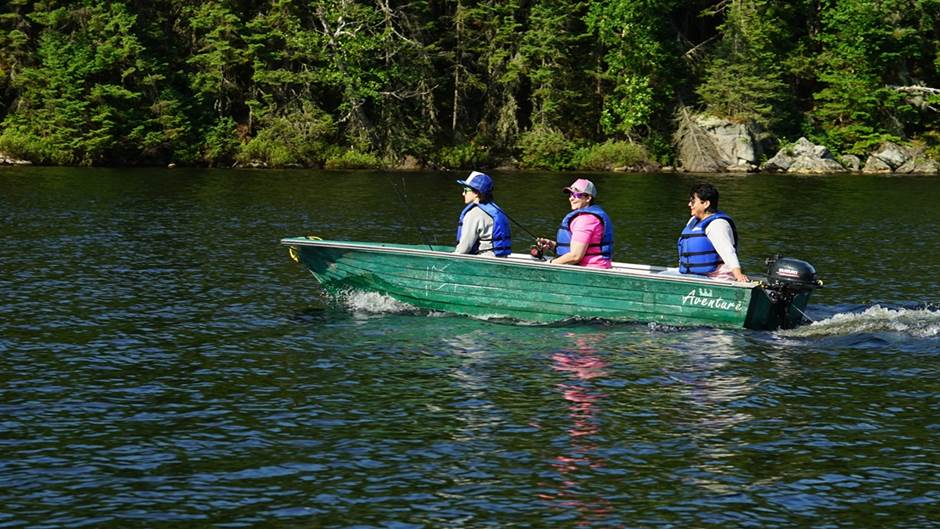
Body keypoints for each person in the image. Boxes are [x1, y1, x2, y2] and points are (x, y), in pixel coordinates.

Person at [677, 182, 749, 282]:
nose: (689, 205)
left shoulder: (717, 224)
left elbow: (728, 251)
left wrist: (738, 275)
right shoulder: (693, 221)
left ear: (706, 204)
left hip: (716, 277)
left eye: (693, 202)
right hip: (694, 275)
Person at [536, 178, 613, 269]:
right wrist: (552, 245)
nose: (571, 198)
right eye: (570, 194)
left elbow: (575, 256)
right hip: (594, 267)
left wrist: (550, 263)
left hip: (590, 269)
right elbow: (579, 248)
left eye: (576, 194)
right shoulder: (588, 217)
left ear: (588, 198)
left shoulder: (586, 220)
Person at [454, 171, 512, 256]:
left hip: (484, 263)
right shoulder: (497, 210)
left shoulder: (473, 214)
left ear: (477, 193)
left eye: (465, 190)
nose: (463, 193)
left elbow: (463, 249)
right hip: (502, 258)